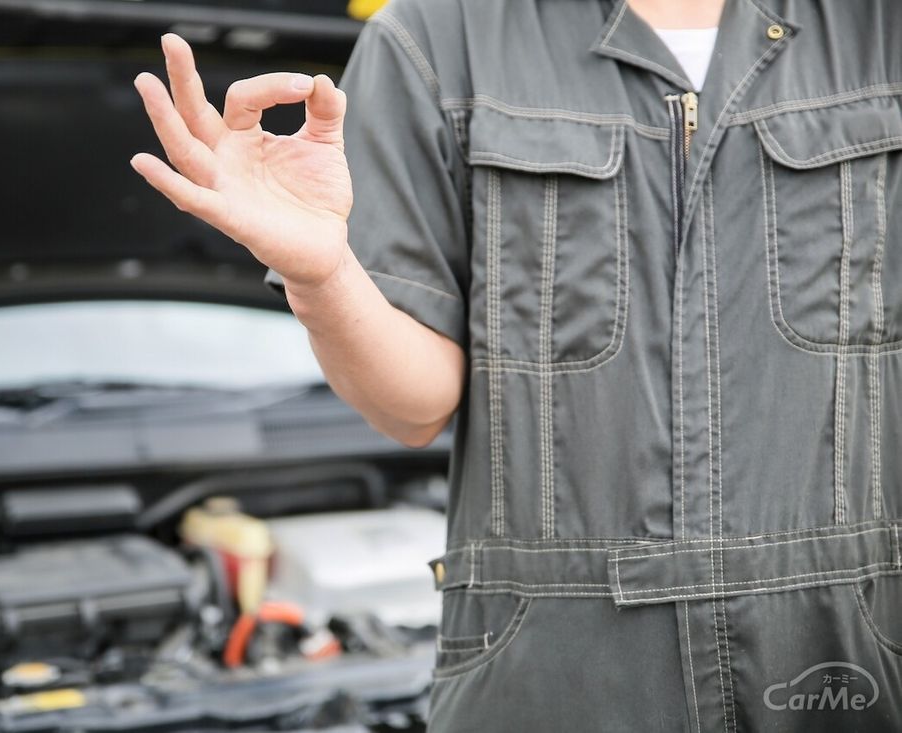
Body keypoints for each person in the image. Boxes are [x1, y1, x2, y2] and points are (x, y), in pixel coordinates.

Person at [130, 0, 902, 729]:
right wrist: (324, 275)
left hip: (857, 656)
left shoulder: (878, 32)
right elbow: (414, 404)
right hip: (554, 677)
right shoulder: (438, 39)